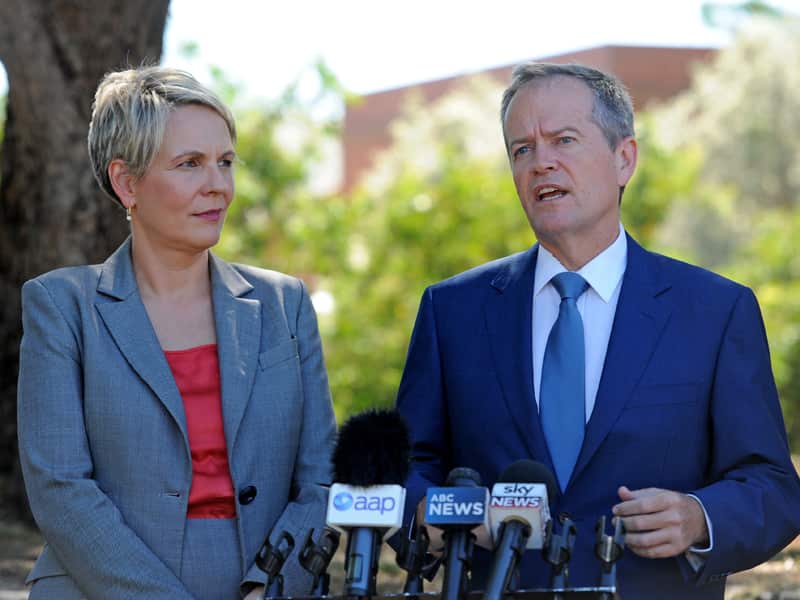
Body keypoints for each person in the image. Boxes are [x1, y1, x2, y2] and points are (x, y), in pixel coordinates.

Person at [396, 62, 800, 599]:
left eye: (564, 140)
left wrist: (699, 517)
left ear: (623, 158)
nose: (542, 163)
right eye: (522, 150)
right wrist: (429, 516)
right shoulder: (453, 311)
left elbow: (771, 487)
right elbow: (407, 467)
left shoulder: (715, 311)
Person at [17, 66, 336, 600]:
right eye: (190, 164)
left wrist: (272, 589)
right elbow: (60, 489)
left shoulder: (286, 304)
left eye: (225, 162)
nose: (218, 185)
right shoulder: (61, 306)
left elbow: (322, 478)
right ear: (127, 183)